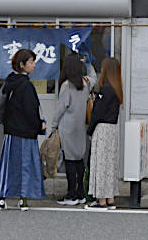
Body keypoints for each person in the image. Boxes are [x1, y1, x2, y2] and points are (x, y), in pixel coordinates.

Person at [0, 49, 46, 211]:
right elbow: (31, 111)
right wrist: (40, 126)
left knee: (8, 165)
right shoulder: (26, 85)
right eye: (31, 62)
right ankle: (23, 199)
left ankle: (1, 199)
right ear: (22, 65)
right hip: (26, 132)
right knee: (25, 166)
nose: (34, 65)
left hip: (10, 131)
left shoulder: (9, 82)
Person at [52, 53, 97, 206]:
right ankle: (81, 193)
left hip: (67, 127)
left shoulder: (66, 86)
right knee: (79, 160)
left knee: (70, 161)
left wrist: (53, 125)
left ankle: (71, 195)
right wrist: (89, 64)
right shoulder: (86, 83)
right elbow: (94, 78)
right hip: (80, 127)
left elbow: (60, 109)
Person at [85, 57, 122, 211]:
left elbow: (97, 113)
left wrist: (90, 130)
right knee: (110, 164)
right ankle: (110, 198)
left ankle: (101, 200)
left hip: (102, 129)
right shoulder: (117, 90)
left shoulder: (105, 89)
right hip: (112, 129)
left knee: (100, 164)